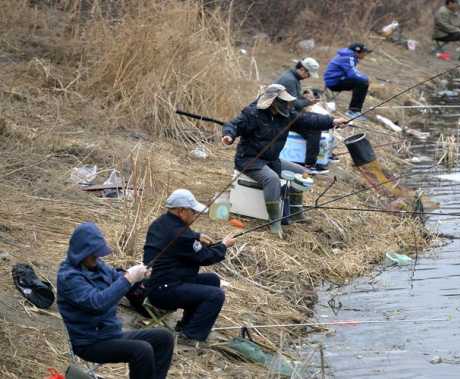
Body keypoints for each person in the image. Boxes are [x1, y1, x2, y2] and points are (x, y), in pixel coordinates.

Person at [222, 84, 347, 237]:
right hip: (250, 160)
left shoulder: (286, 115)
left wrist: (332, 121)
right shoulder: (252, 114)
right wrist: (228, 135)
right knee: (272, 179)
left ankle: (295, 212)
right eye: (285, 102)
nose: (289, 105)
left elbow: (308, 120)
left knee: (301, 172)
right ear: (273, 101)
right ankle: (274, 221)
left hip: (271, 160)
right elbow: (233, 125)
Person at [57, 222, 174, 379]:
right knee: (142, 350)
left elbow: (118, 279)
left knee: (164, 338)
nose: (97, 257)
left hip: (110, 334)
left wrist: (139, 276)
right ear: (81, 252)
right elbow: (97, 303)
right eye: (93, 253)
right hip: (90, 343)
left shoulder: (98, 265)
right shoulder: (69, 277)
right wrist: (128, 279)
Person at [143, 189, 236, 346]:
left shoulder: (162, 223)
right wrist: (223, 246)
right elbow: (205, 257)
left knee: (212, 280)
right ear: (181, 211)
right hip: (165, 291)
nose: (195, 215)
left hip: (159, 282)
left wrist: (197, 236)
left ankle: (186, 325)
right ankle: (191, 336)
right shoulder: (181, 234)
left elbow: (183, 243)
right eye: (193, 211)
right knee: (215, 295)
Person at [276, 57, 329, 174]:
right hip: (283, 116)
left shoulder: (292, 78)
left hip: (287, 113)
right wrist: (309, 102)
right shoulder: (290, 80)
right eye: (309, 74)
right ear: (302, 69)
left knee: (315, 121)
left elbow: (295, 98)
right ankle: (310, 165)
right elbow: (294, 104)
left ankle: (317, 158)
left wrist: (305, 99)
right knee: (314, 129)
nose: (308, 77)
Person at [324, 42, 371, 120]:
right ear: (357, 52)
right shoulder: (348, 57)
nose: (365, 54)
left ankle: (354, 110)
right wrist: (365, 78)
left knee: (362, 81)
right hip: (334, 82)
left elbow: (352, 72)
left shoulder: (348, 55)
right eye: (364, 52)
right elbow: (352, 74)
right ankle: (353, 111)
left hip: (333, 80)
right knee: (363, 82)